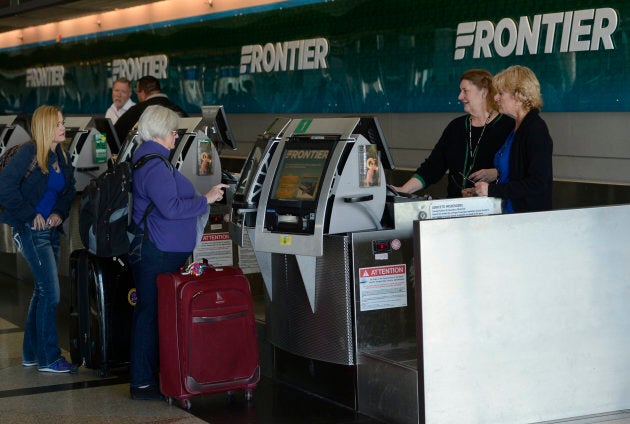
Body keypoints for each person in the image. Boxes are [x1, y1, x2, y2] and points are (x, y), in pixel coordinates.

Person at [127, 105, 227, 400]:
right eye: (173, 131)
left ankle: (156, 376)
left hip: (162, 249)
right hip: (157, 251)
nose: (175, 136)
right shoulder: (154, 165)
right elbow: (170, 208)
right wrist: (205, 200)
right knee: (149, 314)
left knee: (153, 313)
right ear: (159, 132)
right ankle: (143, 383)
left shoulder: (152, 159)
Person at [0, 105, 77, 373]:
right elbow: (5, 188)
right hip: (30, 231)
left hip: (51, 231)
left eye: (62, 122)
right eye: (58, 123)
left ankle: (31, 354)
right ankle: (49, 358)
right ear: (45, 127)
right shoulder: (29, 153)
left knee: (42, 290)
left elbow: (68, 192)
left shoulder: (61, 155)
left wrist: (58, 212)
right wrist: (30, 215)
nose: (63, 127)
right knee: (51, 293)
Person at [391, 69, 514, 198]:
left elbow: (522, 171)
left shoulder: (508, 126)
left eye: (465, 91)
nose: (459, 97)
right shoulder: (456, 127)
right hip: (455, 207)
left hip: (494, 210)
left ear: (483, 92)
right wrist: (403, 190)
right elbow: (433, 166)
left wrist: (498, 173)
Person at [465, 65, 553, 212]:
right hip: (509, 215)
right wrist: (481, 190)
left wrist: (492, 190)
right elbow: (515, 174)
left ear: (518, 96)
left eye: (501, 93)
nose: (495, 98)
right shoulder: (516, 129)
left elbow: (538, 182)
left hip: (527, 221)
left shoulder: (535, 129)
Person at [114, 75, 188, 144]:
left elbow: (115, 134)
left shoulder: (135, 111)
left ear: (142, 93)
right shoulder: (178, 110)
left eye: (137, 92)